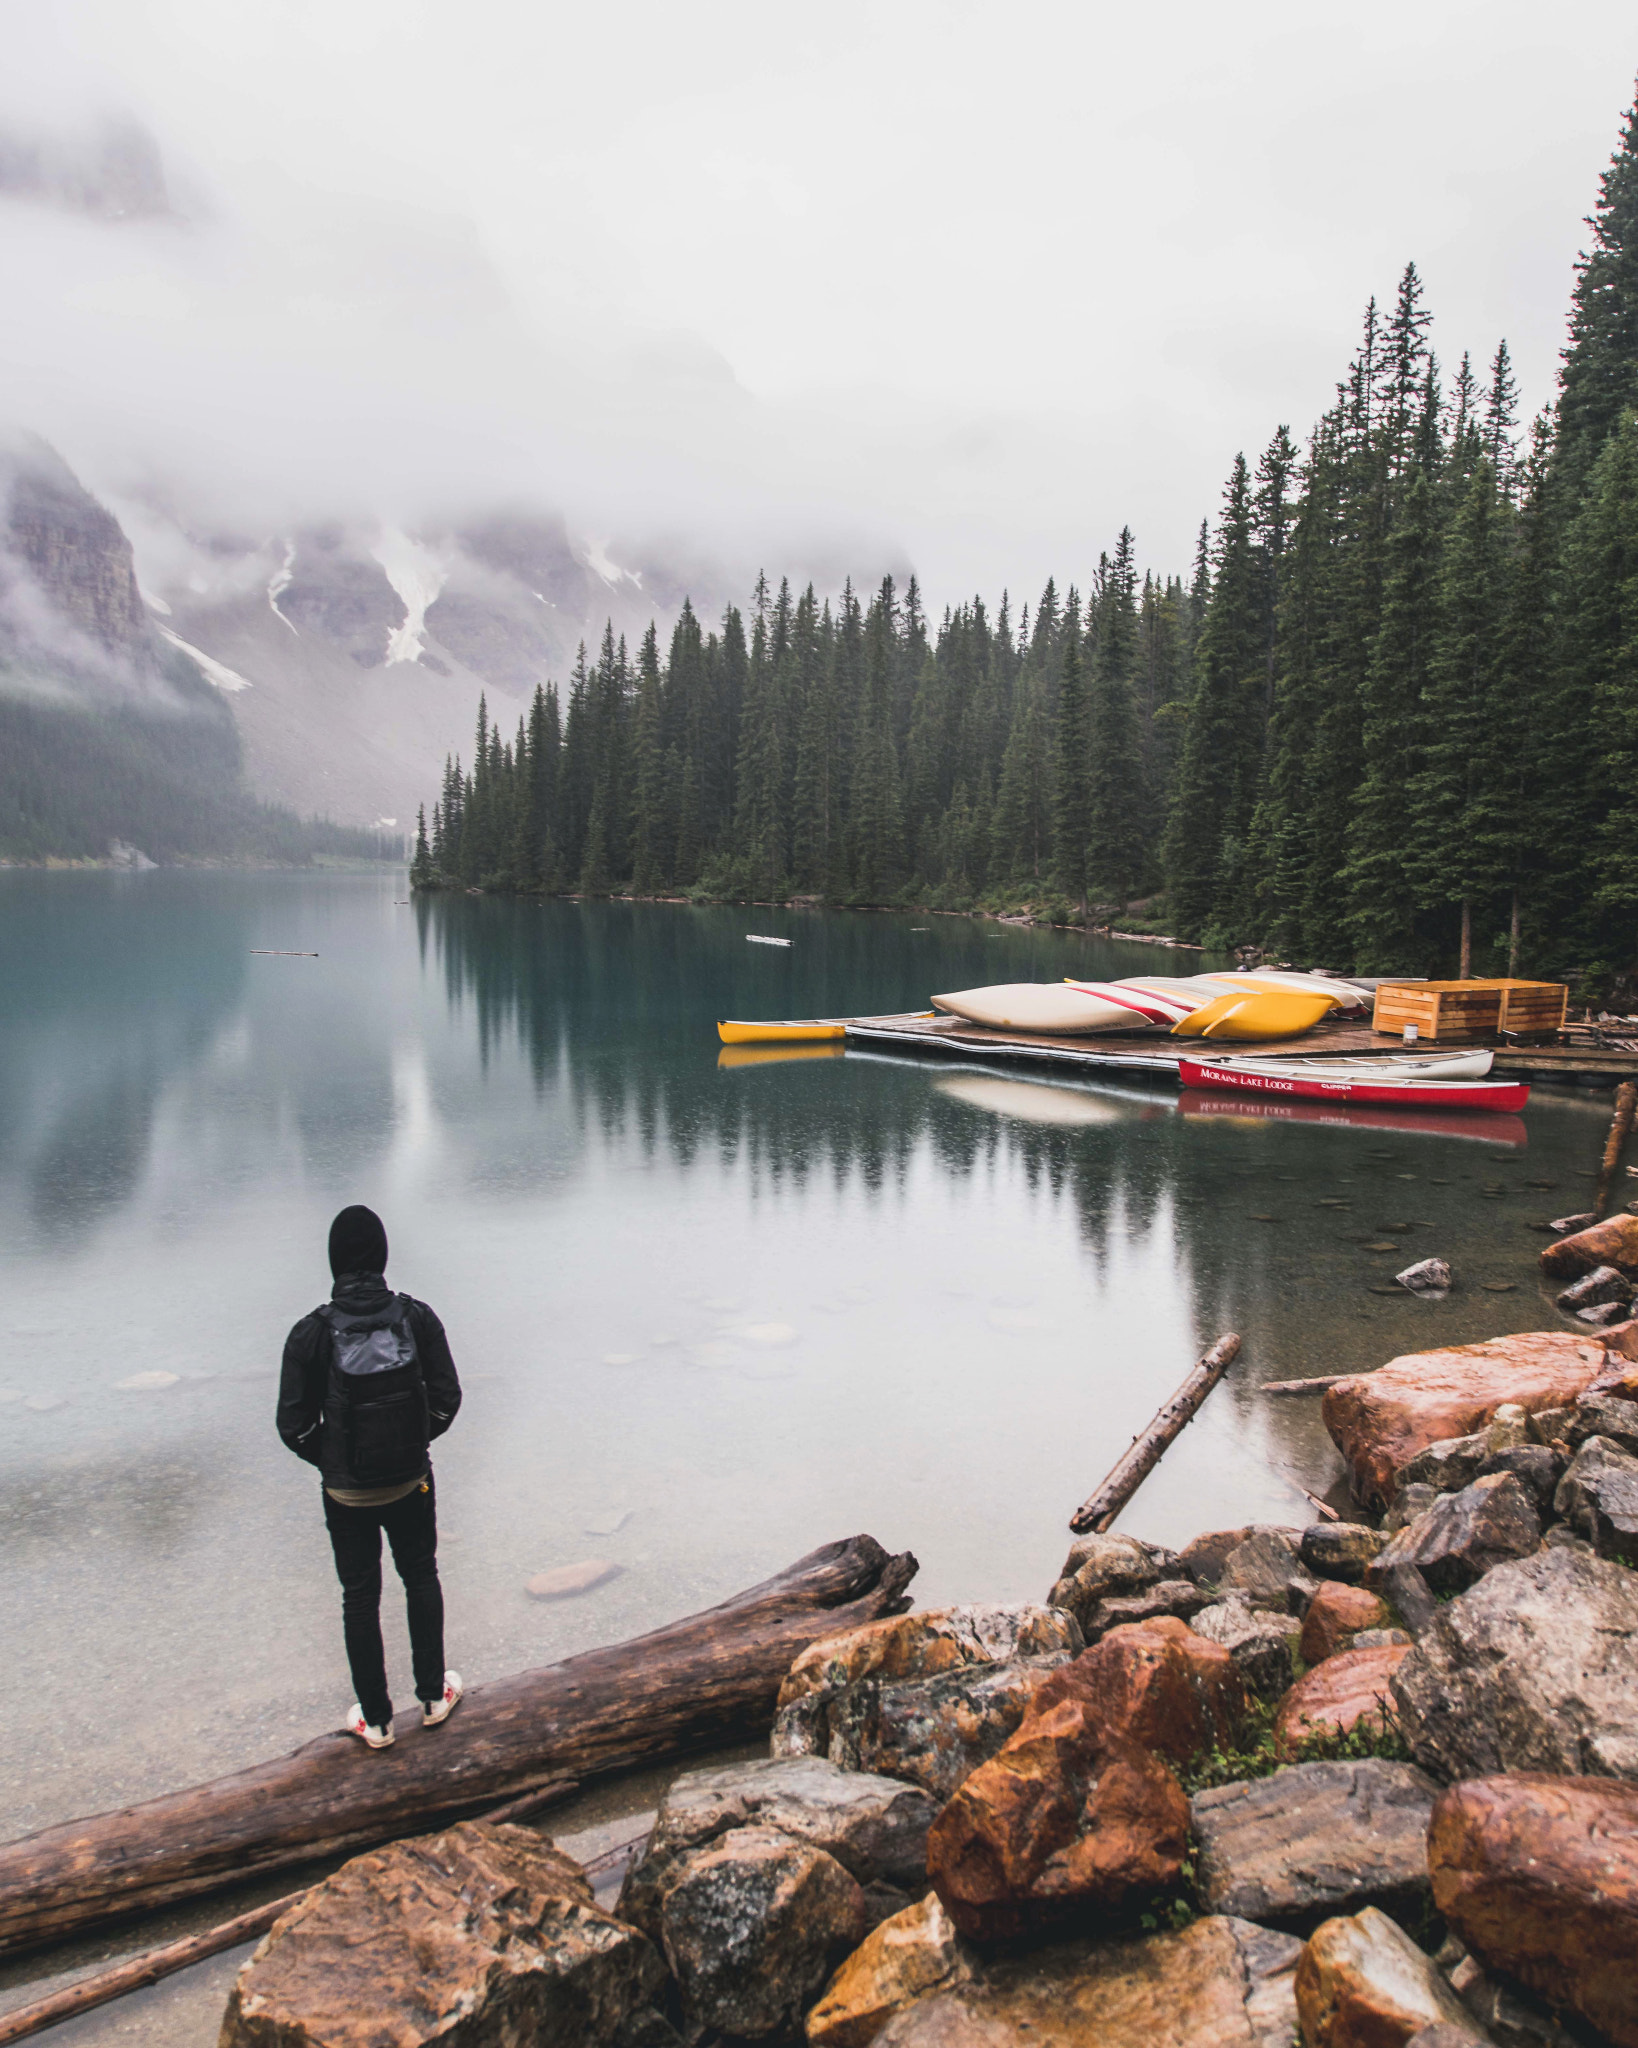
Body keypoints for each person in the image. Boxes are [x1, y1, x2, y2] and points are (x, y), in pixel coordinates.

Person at [277, 1204, 464, 1749]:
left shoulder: (309, 1334)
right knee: (420, 1575)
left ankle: (377, 1722)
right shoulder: (416, 1318)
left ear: (334, 1262)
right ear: (382, 1256)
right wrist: (413, 1442)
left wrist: (333, 1460)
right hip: (411, 1481)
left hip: (344, 1494)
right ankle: (433, 1697)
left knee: (359, 1597)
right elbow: (449, 1399)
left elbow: (291, 1426)